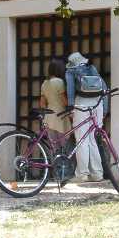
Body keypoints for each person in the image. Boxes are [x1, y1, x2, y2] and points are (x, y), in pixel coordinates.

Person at [65, 51, 107, 183]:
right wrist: (104, 109)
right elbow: (104, 88)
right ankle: (97, 174)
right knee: (93, 140)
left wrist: (71, 107)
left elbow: (70, 91)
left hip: (81, 106)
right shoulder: (92, 68)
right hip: (97, 105)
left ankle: (82, 174)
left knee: (81, 140)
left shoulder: (70, 72)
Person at [40, 59, 69, 147]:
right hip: (60, 115)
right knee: (63, 144)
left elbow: (42, 104)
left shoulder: (44, 83)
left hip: (49, 116)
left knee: (53, 146)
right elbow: (64, 101)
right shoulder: (59, 82)